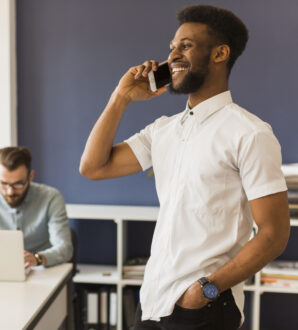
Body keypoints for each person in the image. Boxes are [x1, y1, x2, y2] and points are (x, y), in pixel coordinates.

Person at [80, 5, 289, 330]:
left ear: (220, 53)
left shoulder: (250, 133)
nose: (172, 55)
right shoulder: (163, 129)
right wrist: (120, 97)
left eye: (186, 46)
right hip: (153, 300)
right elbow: (94, 167)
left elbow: (274, 234)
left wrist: (205, 289)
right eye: (172, 47)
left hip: (203, 307)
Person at [0, 146, 73, 268]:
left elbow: (65, 248)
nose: (10, 192)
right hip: (4, 268)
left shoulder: (51, 198)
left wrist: (37, 259)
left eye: (18, 184)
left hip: (43, 268)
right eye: (3, 183)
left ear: (30, 176)